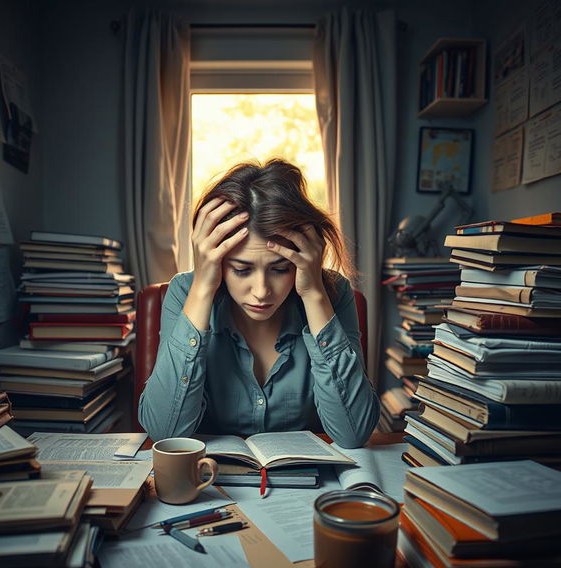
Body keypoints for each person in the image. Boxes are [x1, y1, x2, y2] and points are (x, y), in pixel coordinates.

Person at [139, 159, 380, 448]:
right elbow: (165, 432)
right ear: (217, 262)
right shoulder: (185, 292)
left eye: (280, 269)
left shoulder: (332, 294)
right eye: (241, 270)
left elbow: (353, 434)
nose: (262, 291)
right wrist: (203, 286)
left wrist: (315, 294)